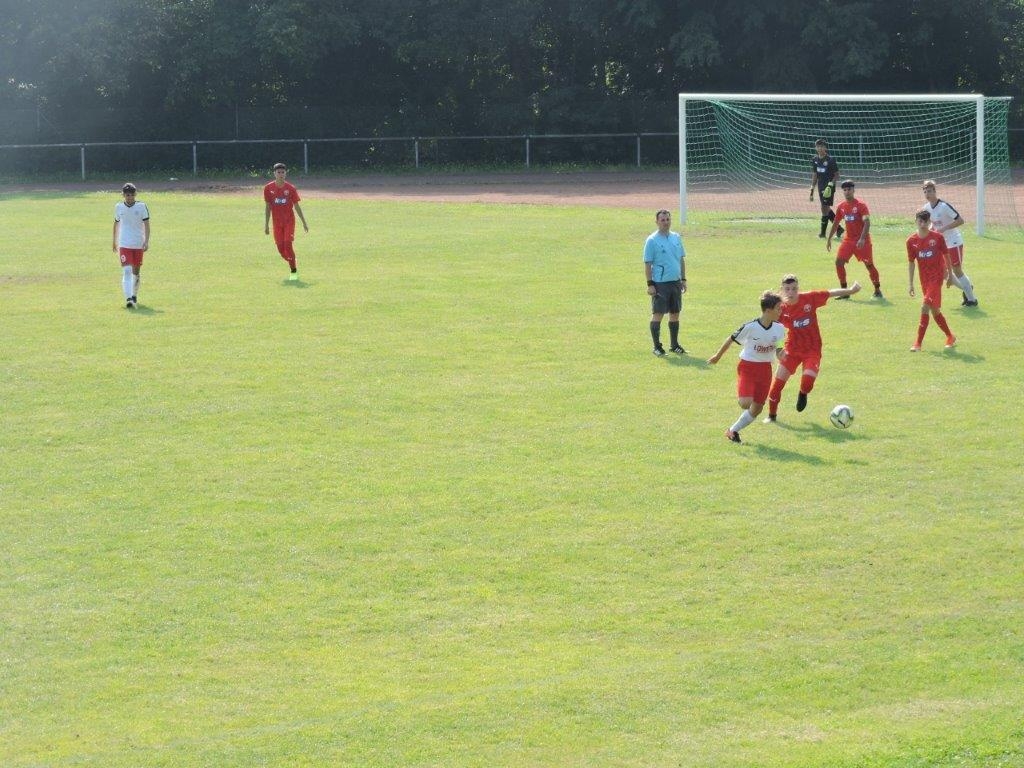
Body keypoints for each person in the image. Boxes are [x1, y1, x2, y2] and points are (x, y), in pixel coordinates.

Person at [763, 274, 861, 422]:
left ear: (798, 289)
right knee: (777, 386)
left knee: (808, 380)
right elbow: (769, 330)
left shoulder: (809, 298)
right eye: (787, 289)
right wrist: (777, 349)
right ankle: (772, 416)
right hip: (792, 350)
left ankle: (803, 393)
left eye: (794, 289)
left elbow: (831, 293)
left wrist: (851, 291)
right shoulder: (779, 309)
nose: (791, 292)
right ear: (781, 291)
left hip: (812, 350)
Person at [707, 291, 786, 444]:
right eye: (778, 308)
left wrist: (781, 354)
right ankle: (743, 391)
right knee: (745, 403)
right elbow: (731, 339)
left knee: (757, 409)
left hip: (765, 370)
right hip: (748, 367)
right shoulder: (750, 327)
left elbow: (778, 347)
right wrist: (717, 356)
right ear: (768, 311)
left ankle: (733, 431)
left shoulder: (779, 328)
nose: (780, 311)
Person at [922, 179, 978, 306]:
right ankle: (967, 287)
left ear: (935, 191)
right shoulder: (926, 208)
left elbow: (960, 220)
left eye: (929, 191)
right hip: (942, 244)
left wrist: (944, 228)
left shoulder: (944, 206)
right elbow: (932, 224)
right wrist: (930, 231)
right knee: (943, 273)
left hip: (954, 242)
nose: (927, 194)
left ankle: (972, 300)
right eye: (925, 192)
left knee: (957, 270)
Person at [906, 209, 956, 351]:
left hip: (937, 277)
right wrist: (910, 283)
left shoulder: (937, 238)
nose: (923, 224)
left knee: (924, 306)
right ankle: (950, 336)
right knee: (935, 311)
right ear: (916, 221)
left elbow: (946, 256)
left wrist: (950, 275)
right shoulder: (911, 241)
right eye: (920, 221)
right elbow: (911, 262)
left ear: (930, 222)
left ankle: (918, 343)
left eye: (925, 221)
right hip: (924, 279)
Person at [827, 180, 883, 299]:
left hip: (863, 241)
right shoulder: (841, 207)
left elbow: (867, 223)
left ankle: (877, 289)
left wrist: (862, 239)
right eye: (845, 190)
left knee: (869, 265)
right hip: (848, 240)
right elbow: (836, 222)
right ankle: (844, 292)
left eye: (849, 189)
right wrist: (829, 238)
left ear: (853, 190)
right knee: (839, 262)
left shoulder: (861, 206)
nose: (847, 192)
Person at [643, 209, 687, 356]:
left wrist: (683, 279)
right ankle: (657, 347)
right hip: (660, 283)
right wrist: (650, 284)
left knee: (675, 313)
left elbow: (681, 259)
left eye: (667, 219)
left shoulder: (676, 237)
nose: (665, 222)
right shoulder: (652, 240)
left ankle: (674, 345)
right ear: (657, 222)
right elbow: (648, 264)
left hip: (675, 282)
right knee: (658, 314)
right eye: (662, 220)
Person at [263, 162, 308, 281]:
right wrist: (266, 225)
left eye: (283, 172)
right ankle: (291, 260)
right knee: (280, 249)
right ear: (274, 173)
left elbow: (297, 206)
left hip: (289, 221)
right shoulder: (268, 188)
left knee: (288, 245)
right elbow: (268, 207)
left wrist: (304, 222)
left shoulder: (290, 188)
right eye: (279, 172)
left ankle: (293, 271)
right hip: (276, 223)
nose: (281, 174)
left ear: (285, 173)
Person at [112, 182, 150, 309]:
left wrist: (146, 241)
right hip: (124, 243)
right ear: (123, 195)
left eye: (132, 195)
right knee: (126, 271)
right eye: (127, 195)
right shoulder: (118, 207)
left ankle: (134, 295)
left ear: (135, 194)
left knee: (136, 273)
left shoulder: (142, 206)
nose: (129, 197)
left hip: (138, 243)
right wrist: (114, 241)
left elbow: (146, 224)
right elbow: (116, 223)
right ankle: (128, 298)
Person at [809, 138, 843, 240]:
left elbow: (837, 175)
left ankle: (823, 234)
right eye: (818, 146)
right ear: (815, 148)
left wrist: (830, 185)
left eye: (822, 146)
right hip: (820, 187)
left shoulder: (830, 160)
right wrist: (812, 190)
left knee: (824, 209)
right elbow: (815, 175)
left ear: (825, 148)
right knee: (825, 209)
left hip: (828, 188)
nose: (820, 148)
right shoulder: (814, 160)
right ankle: (839, 228)